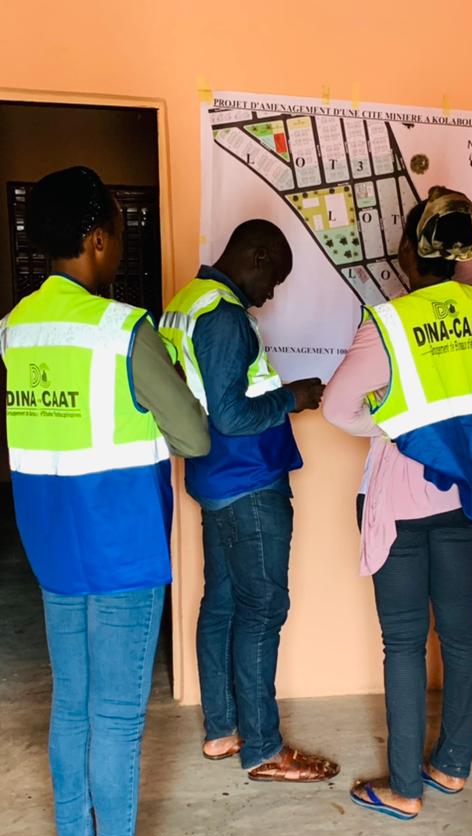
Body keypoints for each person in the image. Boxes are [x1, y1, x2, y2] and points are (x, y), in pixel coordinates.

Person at [0, 166, 210, 836]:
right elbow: (191, 436)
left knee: (74, 706)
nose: (119, 243)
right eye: (118, 229)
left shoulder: (15, 327)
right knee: (119, 722)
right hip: (119, 543)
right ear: (95, 240)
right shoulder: (126, 330)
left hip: (51, 541)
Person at [323, 186, 472, 819]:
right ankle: (451, 768)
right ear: (460, 249)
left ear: (407, 248)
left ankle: (404, 789)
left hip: (402, 497)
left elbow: (337, 408)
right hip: (465, 496)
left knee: (403, 642)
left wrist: (394, 423)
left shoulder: (389, 323)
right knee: (459, 632)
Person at [159, 221, 338, 783]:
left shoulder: (187, 301)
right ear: (256, 256)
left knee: (223, 604)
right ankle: (262, 746)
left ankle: (222, 731)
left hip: (214, 481)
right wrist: (297, 397)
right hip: (249, 483)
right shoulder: (226, 318)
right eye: (273, 278)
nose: (270, 293)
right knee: (262, 609)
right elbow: (233, 416)